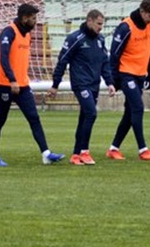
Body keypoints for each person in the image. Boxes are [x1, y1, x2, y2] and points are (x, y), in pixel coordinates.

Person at [0, 4, 65, 167]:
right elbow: (3, 58)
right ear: (24, 17)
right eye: (33, 18)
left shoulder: (27, 35)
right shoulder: (9, 32)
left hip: (22, 85)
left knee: (34, 117)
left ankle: (46, 154)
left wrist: (20, 80)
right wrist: (12, 80)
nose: (35, 21)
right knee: (0, 120)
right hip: (5, 85)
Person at [49, 9, 116, 165]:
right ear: (89, 21)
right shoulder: (75, 39)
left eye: (102, 24)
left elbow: (104, 62)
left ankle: (75, 154)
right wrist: (55, 85)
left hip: (94, 84)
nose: (100, 27)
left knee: (84, 118)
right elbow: (62, 61)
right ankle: (85, 152)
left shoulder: (100, 40)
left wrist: (110, 82)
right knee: (91, 113)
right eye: (98, 24)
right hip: (80, 83)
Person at [106, 0, 150, 161]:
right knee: (138, 107)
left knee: (130, 113)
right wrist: (114, 79)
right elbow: (114, 53)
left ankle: (113, 148)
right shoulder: (125, 27)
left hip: (140, 74)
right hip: (126, 73)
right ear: (142, 11)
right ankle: (143, 149)